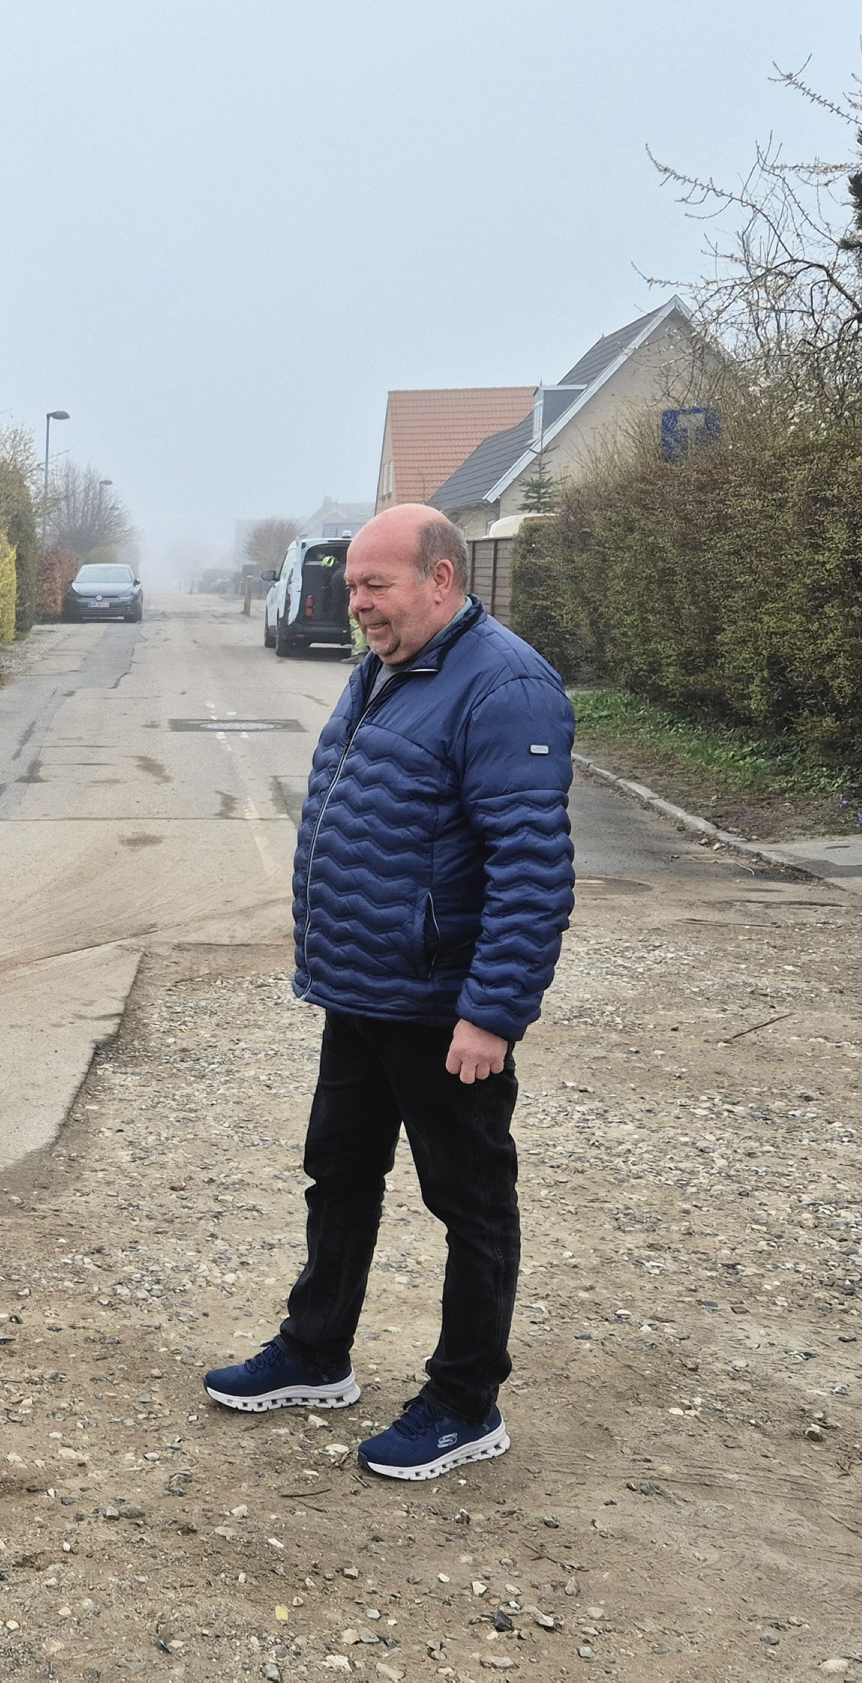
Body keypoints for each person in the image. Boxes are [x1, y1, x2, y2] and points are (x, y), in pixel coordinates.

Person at [204, 503, 575, 1481]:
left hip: (443, 1007)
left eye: (376, 584)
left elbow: (531, 867)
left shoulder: (504, 687)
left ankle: (464, 1400)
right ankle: (316, 1350)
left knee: (470, 1202)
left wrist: (493, 1010)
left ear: (442, 581)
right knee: (340, 1171)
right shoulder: (387, 667)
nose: (355, 601)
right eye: (353, 584)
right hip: (362, 989)